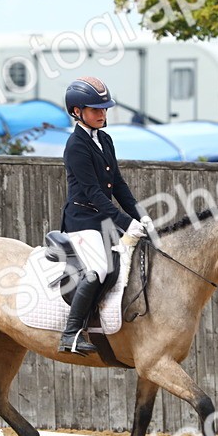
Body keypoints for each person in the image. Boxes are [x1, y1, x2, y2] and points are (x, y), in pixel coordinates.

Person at [57, 76, 151, 355]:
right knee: (99, 269)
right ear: (77, 112)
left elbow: (118, 185)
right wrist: (125, 223)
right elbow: (93, 194)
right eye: (95, 109)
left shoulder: (105, 140)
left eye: (104, 109)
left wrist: (140, 216)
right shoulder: (76, 146)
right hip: (82, 219)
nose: (102, 114)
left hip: (103, 219)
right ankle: (71, 333)